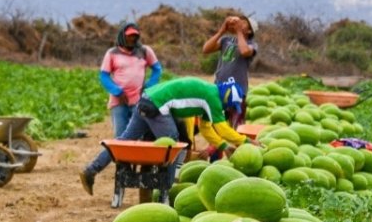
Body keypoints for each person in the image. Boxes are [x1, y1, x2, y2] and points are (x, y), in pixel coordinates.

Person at [78, 77, 253, 195]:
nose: (229, 110)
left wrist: (224, 146)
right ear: (227, 98)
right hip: (156, 105)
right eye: (230, 106)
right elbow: (222, 128)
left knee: (123, 141)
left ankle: (91, 170)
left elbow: (207, 129)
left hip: (146, 99)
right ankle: (169, 191)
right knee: (173, 145)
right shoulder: (213, 98)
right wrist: (245, 141)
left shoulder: (210, 94)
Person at [99, 22, 162, 137]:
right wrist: (117, 91)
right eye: (129, 36)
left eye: (135, 36)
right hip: (119, 102)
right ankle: (121, 155)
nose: (132, 39)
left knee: (139, 134)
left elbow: (157, 69)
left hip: (138, 101)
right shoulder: (112, 53)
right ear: (122, 36)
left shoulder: (144, 51)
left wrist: (149, 85)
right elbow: (104, 76)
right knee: (121, 135)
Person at [201, 14, 259, 127]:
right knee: (216, 122)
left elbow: (244, 51)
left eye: (243, 23)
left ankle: (238, 144)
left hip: (237, 90)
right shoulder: (226, 40)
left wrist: (238, 32)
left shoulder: (252, 45)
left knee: (236, 124)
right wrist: (222, 31)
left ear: (249, 31)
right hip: (219, 86)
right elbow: (206, 49)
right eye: (239, 21)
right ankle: (217, 144)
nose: (239, 23)